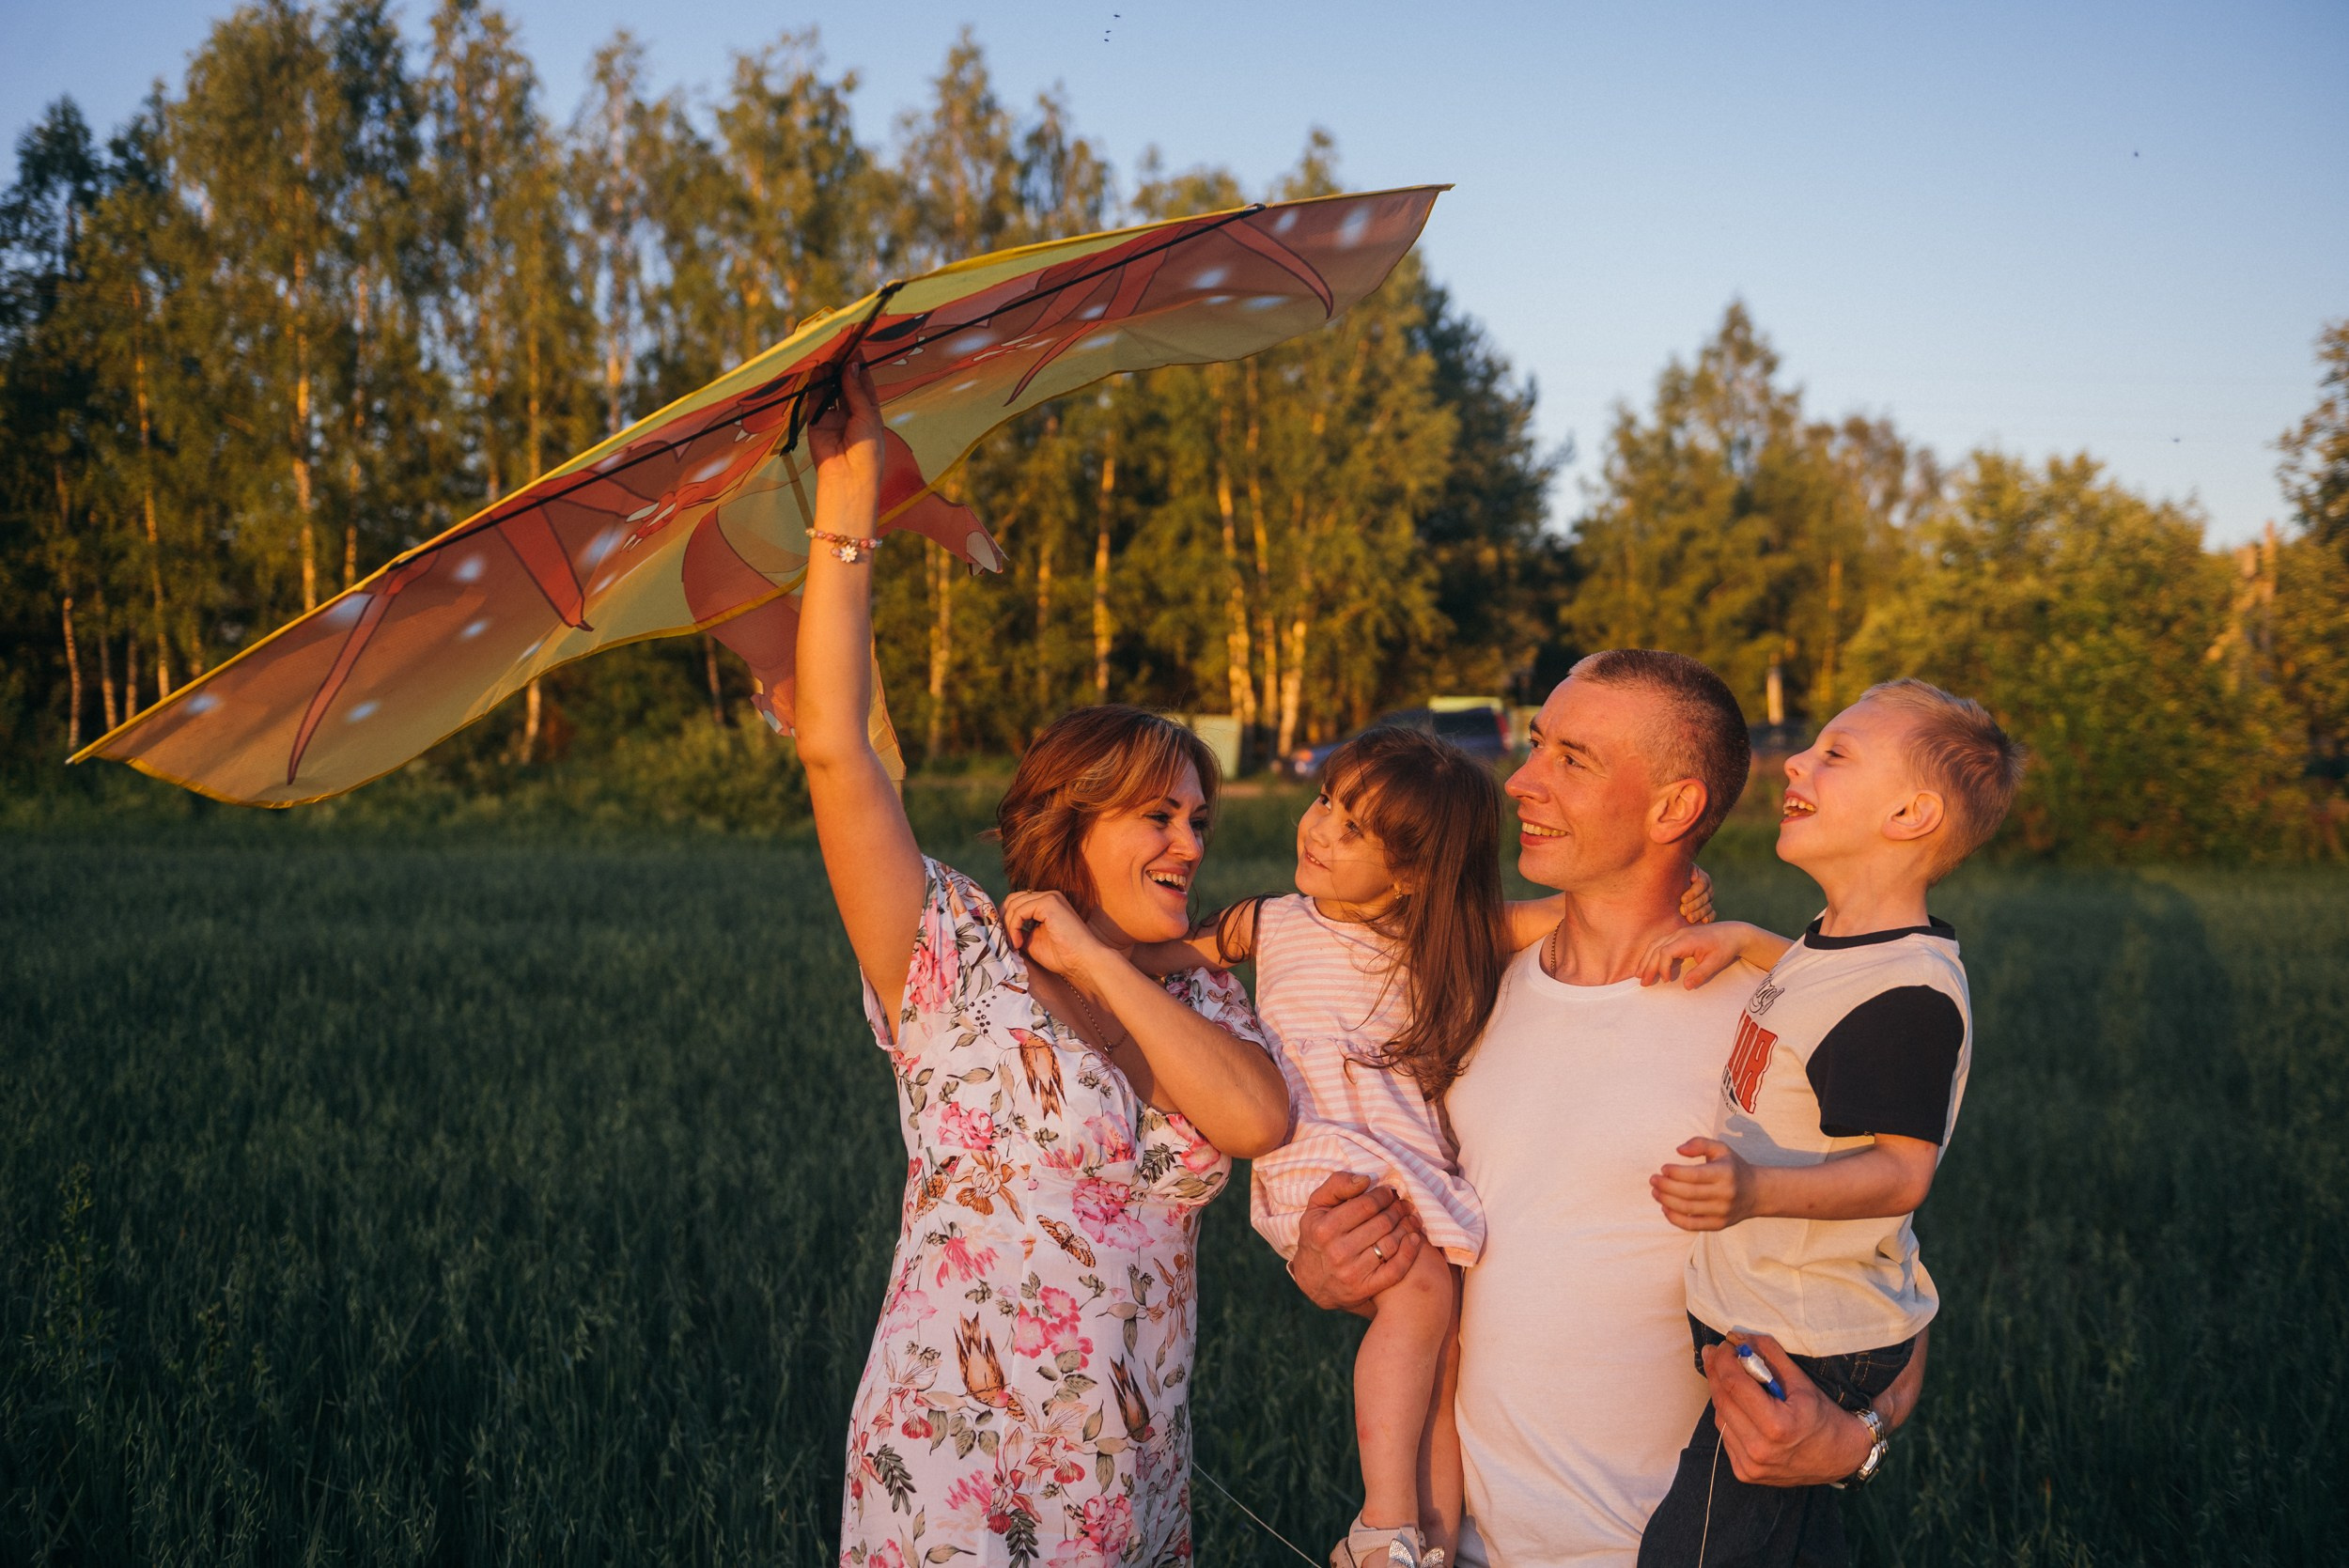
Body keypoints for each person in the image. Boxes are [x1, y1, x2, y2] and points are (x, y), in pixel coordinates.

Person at [796, 363, 1292, 1568]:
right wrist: (852, 507)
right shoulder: (952, 950)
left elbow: (1256, 1117)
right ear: (1068, 821)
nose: (1188, 844)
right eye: (1156, 818)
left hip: (1126, 1480)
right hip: (951, 1467)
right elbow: (832, 751)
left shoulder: (1201, 988)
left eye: (1197, 823)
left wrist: (1107, 962)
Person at [1282, 650, 1931, 1568]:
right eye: (1536, 745)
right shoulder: (1460, 993)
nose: (1521, 781)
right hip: (1456, 1545)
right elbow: (1445, 1250)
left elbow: (1888, 1293)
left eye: (1571, 759)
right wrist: (1331, 1264)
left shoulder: (1767, 1022)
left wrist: (1855, 1438)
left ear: (1674, 807)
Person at [1141, 728, 1719, 1568]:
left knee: (1445, 1343)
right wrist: (1085, 955)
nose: (1318, 828)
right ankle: (1382, 1522)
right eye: (1327, 803)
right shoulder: (1270, 921)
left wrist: (1673, 888)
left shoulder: (1435, 934)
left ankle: (1432, 1540)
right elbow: (1167, 948)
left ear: (1410, 874)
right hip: (1321, 1149)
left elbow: (1553, 913)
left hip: (1400, 1161)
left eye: (1351, 830)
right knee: (1420, 1303)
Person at [1633, 679, 2026, 1567]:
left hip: (1809, 1341)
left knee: (1697, 1552)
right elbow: (1820, 984)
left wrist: (1751, 1189)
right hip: (1785, 1316)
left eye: (1835, 754)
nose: (1797, 762)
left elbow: (1901, 1173)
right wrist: (1741, 936)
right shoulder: (1847, 944)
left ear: (1912, 813)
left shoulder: (1908, 999)